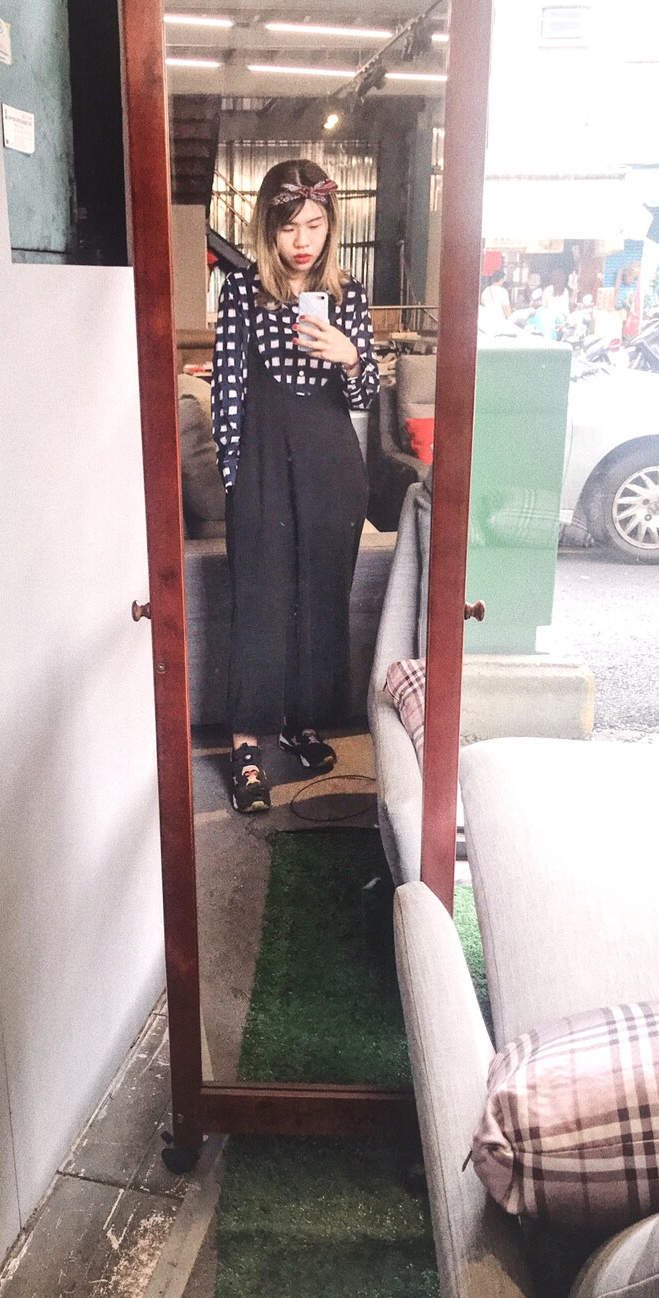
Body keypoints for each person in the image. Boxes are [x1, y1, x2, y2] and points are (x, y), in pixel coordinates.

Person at [211, 159, 379, 813]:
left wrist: (351, 357)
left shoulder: (349, 293)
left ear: (330, 225)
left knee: (321, 602)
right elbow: (227, 389)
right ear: (268, 230)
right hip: (262, 460)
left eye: (314, 224)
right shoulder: (242, 290)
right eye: (288, 227)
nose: (302, 240)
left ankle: (301, 723)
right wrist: (234, 478)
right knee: (259, 602)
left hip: (331, 464)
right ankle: (246, 745)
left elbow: (363, 398)